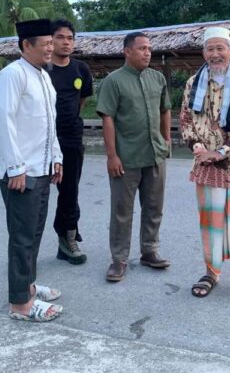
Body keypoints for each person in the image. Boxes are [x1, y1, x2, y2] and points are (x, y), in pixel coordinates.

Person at [179, 27, 230, 300]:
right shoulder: (194, 83)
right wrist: (199, 148)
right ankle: (211, 272)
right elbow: (185, 121)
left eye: (220, 49)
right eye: (210, 49)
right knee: (211, 222)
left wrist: (223, 151)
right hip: (206, 165)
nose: (215, 54)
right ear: (204, 53)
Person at [0, 18, 64, 322]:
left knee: (34, 232)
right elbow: (5, 121)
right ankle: (20, 304)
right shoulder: (12, 75)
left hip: (43, 167)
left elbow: (50, 121)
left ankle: (29, 285)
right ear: (26, 46)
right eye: (46, 44)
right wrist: (15, 168)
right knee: (22, 236)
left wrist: (56, 157)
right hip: (21, 171)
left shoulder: (43, 77)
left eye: (52, 43)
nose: (52, 48)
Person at [95, 32, 172, 282]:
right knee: (122, 211)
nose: (147, 52)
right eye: (141, 48)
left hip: (154, 155)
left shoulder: (157, 78)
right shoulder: (114, 81)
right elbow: (107, 117)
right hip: (126, 157)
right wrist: (111, 155)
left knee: (153, 207)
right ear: (127, 51)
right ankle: (119, 259)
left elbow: (165, 110)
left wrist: (166, 141)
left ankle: (149, 250)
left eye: (149, 48)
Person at [46, 19, 93, 265]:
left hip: (71, 138)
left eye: (70, 38)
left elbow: (81, 100)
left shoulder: (81, 69)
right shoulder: (42, 70)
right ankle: (27, 247)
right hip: (43, 140)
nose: (66, 42)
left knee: (69, 191)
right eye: (61, 37)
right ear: (50, 41)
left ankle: (68, 239)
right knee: (38, 192)